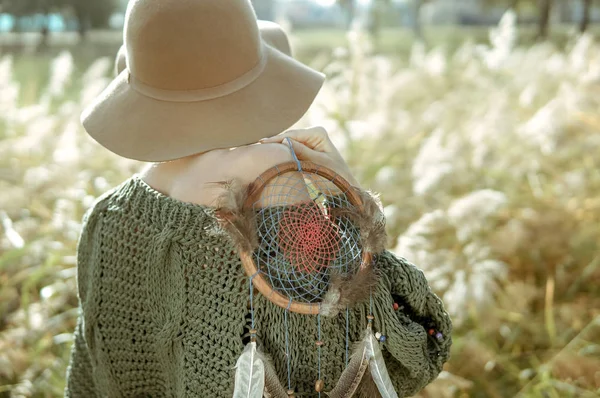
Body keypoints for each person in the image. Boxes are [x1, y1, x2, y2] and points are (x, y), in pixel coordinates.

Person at [64, 0, 452, 397]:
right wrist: (347, 196)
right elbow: (414, 348)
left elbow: (89, 379)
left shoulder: (106, 216)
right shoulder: (277, 201)